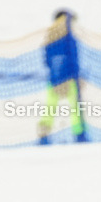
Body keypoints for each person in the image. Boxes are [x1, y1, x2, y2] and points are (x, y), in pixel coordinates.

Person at [37, 10, 87, 144]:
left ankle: (44, 136)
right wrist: (76, 76)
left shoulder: (50, 37)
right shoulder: (68, 38)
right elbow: (74, 59)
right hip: (68, 79)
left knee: (50, 109)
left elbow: (47, 60)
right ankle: (80, 135)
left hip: (55, 79)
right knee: (74, 108)